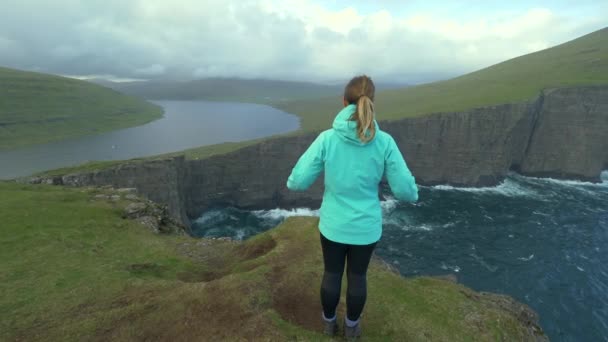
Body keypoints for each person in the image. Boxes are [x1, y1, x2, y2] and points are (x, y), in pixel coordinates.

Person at [286, 75, 419, 339]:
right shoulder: (384, 142)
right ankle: (351, 329)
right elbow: (406, 191)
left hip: (333, 225)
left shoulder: (327, 139)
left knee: (332, 274)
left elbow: (297, 182)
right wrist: (414, 189)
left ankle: (328, 324)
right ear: (372, 103)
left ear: (343, 101)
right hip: (366, 228)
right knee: (357, 278)